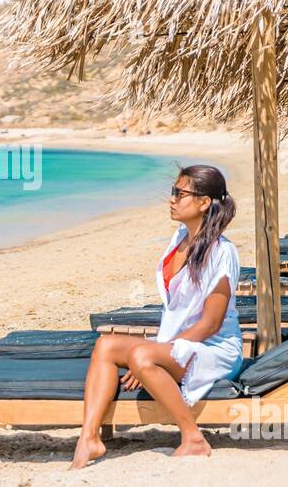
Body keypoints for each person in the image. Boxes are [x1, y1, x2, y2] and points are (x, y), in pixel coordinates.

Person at [69, 164, 243, 468]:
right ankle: (89, 438)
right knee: (106, 346)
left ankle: (193, 438)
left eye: (180, 193)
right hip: (178, 346)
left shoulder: (222, 253)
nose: (172, 199)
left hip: (213, 350)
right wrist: (157, 351)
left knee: (141, 356)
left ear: (204, 203)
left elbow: (210, 324)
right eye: (172, 192)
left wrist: (154, 354)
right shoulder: (180, 238)